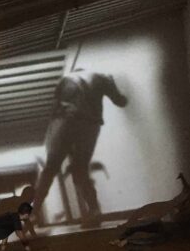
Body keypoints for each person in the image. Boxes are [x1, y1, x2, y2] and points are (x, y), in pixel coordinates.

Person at [32, 69, 128, 226]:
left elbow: (55, 110)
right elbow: (120, 101)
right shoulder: (103, 78)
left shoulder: (65, 79)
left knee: (50, 168)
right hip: (90, 125)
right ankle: (94, 210)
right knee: (81, 169)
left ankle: (32, 213)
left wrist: (51, 139)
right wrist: (118, 88)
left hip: (64, 122)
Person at [110, 173, 190, 246]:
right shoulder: (186, 199)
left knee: (153, 235)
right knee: (145, 220)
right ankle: (125, 236)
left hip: (170, 225)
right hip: (167, 215)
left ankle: (126, 239)